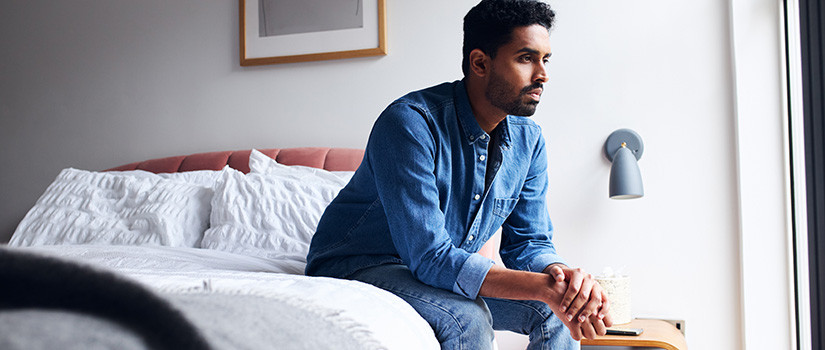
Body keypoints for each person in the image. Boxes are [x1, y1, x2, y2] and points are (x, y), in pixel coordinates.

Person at [306, 0, 612, 348]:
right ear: (480, 63)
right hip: (360, 266)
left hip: (432, 270)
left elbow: (529, 242)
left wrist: (561, 279)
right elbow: (430, 256)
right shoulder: (409, 124)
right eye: (526, 58)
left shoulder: (530, 141)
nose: (542, 74)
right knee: (469, 317)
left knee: (555, 313)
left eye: (545, 60)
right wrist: (542, 289)